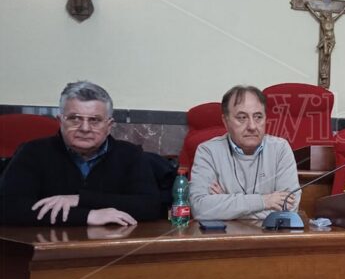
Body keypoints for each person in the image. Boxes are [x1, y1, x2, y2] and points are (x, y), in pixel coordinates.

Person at [0, 81, 165, 226]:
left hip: (112, 247)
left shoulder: (130, 154)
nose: (85, 128)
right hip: (48, 251)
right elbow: (8, 207)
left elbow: (150, 206)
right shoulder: (33, 152)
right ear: (61, 121)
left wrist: (78, 199)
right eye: (75, 118)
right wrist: (88, 215)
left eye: (94, 120)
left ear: (109, 125)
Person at [189, 85, 300, 221]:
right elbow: (200, 209)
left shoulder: (281, 149)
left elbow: (289, 210)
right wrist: (264, 201)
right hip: (223, 238)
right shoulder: (208, 151)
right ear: (225, 121)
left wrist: (226, 207)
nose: (252, 126)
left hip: (270, 239)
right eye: (242, 118)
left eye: (258, 117)